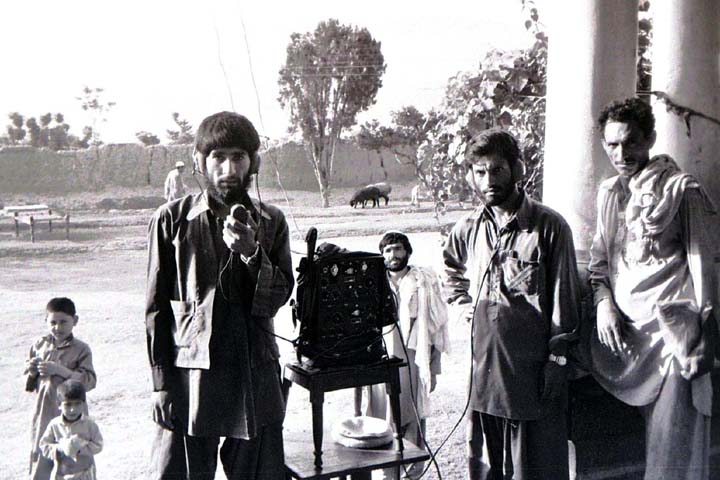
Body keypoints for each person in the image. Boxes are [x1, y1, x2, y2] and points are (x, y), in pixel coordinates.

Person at [146, 111, 294, 479]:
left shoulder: (271, 221)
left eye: (239, 157)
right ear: (200, 161)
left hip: (253, 372)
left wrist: (251, 253)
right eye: (218, 157)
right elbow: (155, 309)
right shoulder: (171, 221)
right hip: (190, 376)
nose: (229, 168)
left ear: (254, 162)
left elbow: (276, 298)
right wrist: (161, 385)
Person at [588, 97, 718, 479]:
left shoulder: (682, 190)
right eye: (612, 144)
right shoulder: (610, 193)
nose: (621, 153)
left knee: (672, 447)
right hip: (628, 338)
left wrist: (703, 337)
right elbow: (600, 264)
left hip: (674, 337)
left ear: (650, 139)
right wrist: (603, 304)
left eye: (630, 142)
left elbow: (703, 268)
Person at [442, 128, 581, 480]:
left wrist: (556, 359)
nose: (488, 180)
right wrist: (462, 303)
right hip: (486, 373)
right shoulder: (468, 227)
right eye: (480, 172)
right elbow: (450, 267)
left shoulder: (549, 228)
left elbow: (564, 303)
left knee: (536, 468)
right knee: (488, 467)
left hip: (532, 373)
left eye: (497, 169)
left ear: (517, 169)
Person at [364, 231, 450, 479]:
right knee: (382, 420)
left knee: (412, 419)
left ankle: (413, 474)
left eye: (398, 249)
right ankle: (388, 475)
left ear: (407, 252)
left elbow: (434, 328)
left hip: (412, 363)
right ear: (382, 255)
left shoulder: (422, 282)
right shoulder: (375, 284)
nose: (394, 255)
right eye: (388, 250)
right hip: (381, 364)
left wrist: (433, 368)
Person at [25, 297, 97, 480]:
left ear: (75, 321)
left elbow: (89, 381)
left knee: (74, 457)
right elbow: (30, 384)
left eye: (63, 322)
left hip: (73, 413)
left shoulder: (81, 349)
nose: (58, 327)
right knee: (41, 452)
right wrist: (32, 372)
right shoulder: (39, 345)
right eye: (53, 322)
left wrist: (61, 371)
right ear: (46, 322)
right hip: (45, 411)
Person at [39, 380, 103, 480]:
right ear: (59, 405)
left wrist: (79, 447)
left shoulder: (89, 424)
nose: (73, 409)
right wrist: (60, 448)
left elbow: (98, 445)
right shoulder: (54, 425)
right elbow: (44, 446)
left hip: (84, 474)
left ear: (83, 404)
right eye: (68, 405)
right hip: (62, 475)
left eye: (77, 404)